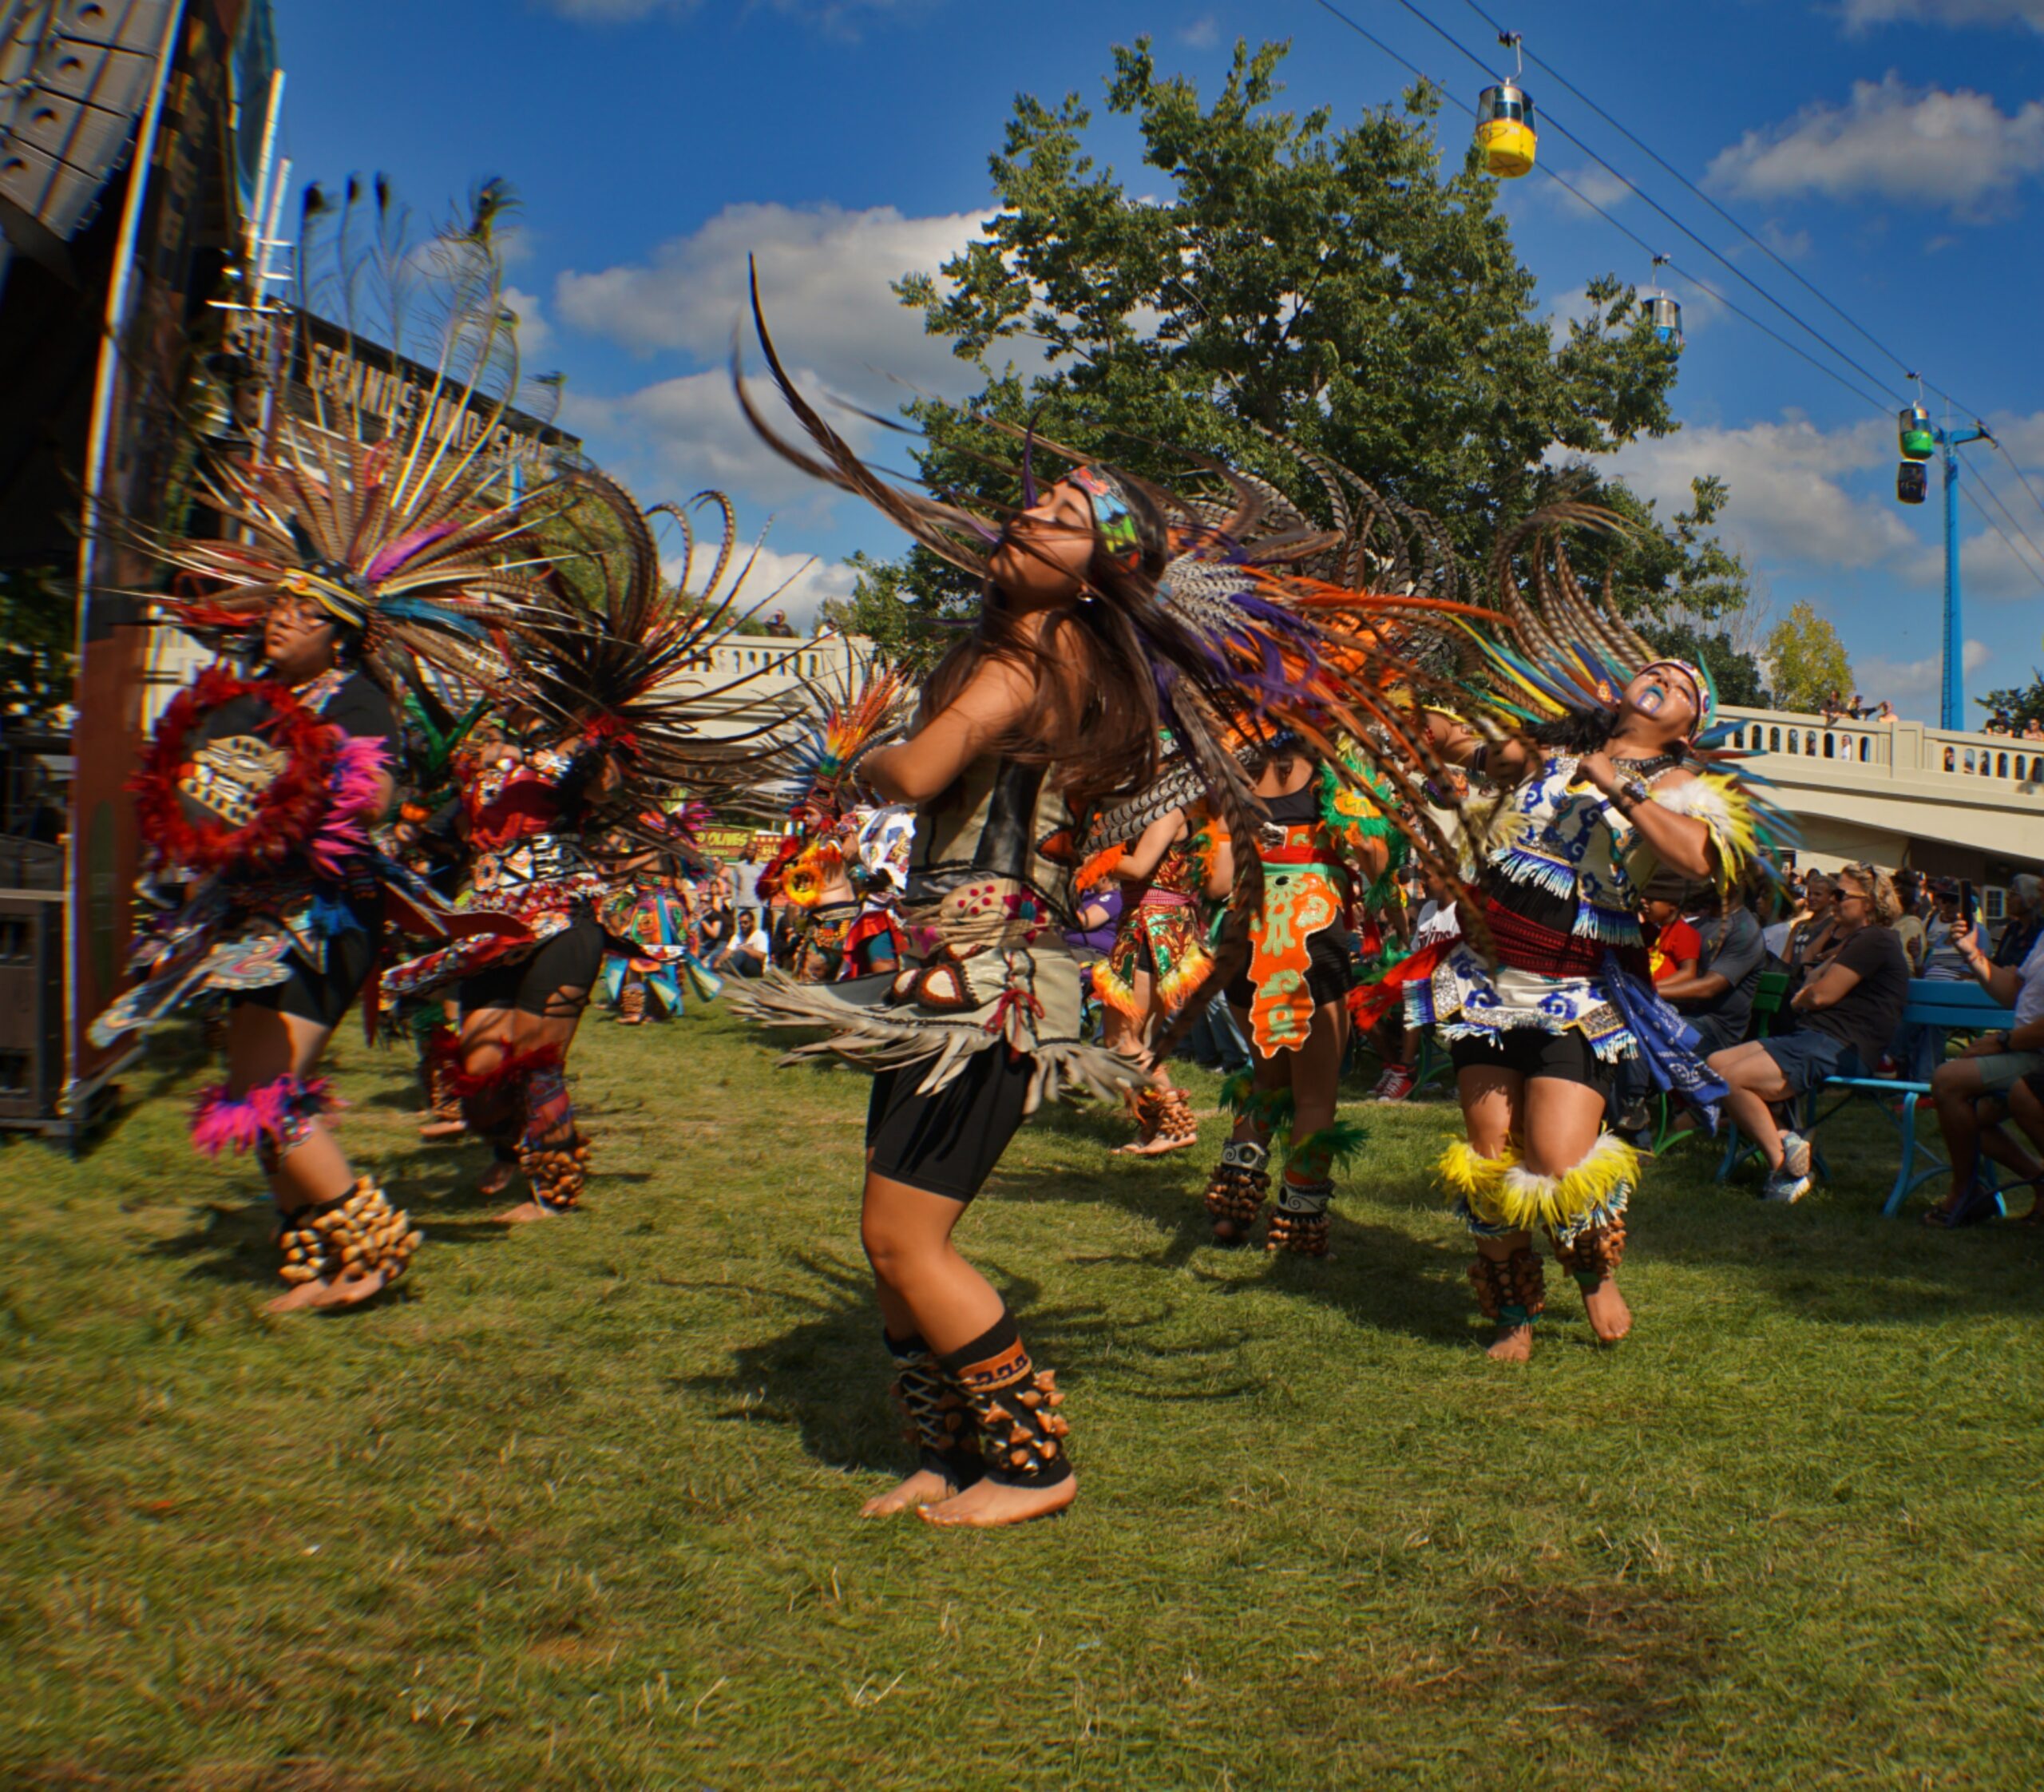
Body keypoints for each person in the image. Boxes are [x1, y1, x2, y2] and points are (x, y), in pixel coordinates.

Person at [1416, 545, 1773, 1361]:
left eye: (1683, 687)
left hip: (1578, 985)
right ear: (1619, 691)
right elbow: (1462, 749)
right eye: (1656, 670)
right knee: (1485, 1155)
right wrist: (1398, 700)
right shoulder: (1548, 752)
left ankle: (1590, 1272)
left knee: (1553, 1154)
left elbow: (1693, 860)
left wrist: (1618, 783)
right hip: (1489, 974)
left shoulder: (1688, 793)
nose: (1665, 681)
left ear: (1690, 726)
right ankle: (1514, 1316)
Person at [1708, 863, 1911, 1203]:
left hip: (1841, 1045)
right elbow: (1811, 983)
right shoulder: (1853, 940)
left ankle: (1784, 1171)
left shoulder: (1874, 939)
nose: (1834, 899)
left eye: (1842, 894)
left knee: (1734, 1079)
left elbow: (1819, 994)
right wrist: (1811, 990)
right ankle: (1789, 1138)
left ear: (1870, 904)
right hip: (1816, 1037)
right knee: (1716, 1062)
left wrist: (1807, 997)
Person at [1919, 901, 2044, 1227]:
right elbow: (2014, 993)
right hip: (2025, 1049)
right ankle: (2038, 1180)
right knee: (1974, 1116)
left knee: (1948, 1080)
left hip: (2034, 1053)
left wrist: (2003, 1041)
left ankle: (1966, 1193)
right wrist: (1971, 953)